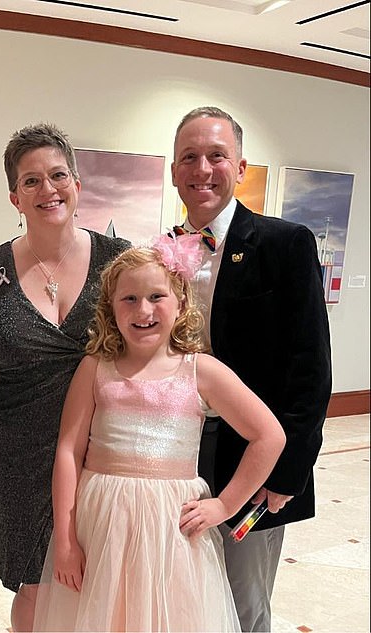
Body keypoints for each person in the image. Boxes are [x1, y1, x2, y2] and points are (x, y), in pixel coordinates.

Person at [32, 238, 286, 632]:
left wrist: (225, 506)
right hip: (102, 522)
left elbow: (270, 436)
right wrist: (65, 542)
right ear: (110, 309)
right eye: (129, 299)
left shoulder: (201, 371)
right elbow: (68, 451)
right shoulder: (95, 368)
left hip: (172, 530)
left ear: (181, 302)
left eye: (156, 296)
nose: (143, 310)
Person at [0, 123, 130, 632]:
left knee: (98, 573)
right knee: (33, 583)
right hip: (17, 452)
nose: (47, 189)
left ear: (78, 185)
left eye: (58, 175)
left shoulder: (117, 262)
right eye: (30, 180)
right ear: (14, 196)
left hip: (102, 447)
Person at [171, 106, 332, 632]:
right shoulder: (163, 250)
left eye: (217, 156)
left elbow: (310, 369)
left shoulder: (286, 244)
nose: (202, 169)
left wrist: (288, 472)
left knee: (244, 600)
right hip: (179, 453)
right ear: (175, 171)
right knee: (186, 588)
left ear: (240, 168)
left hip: (256, 461)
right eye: (189, 157)